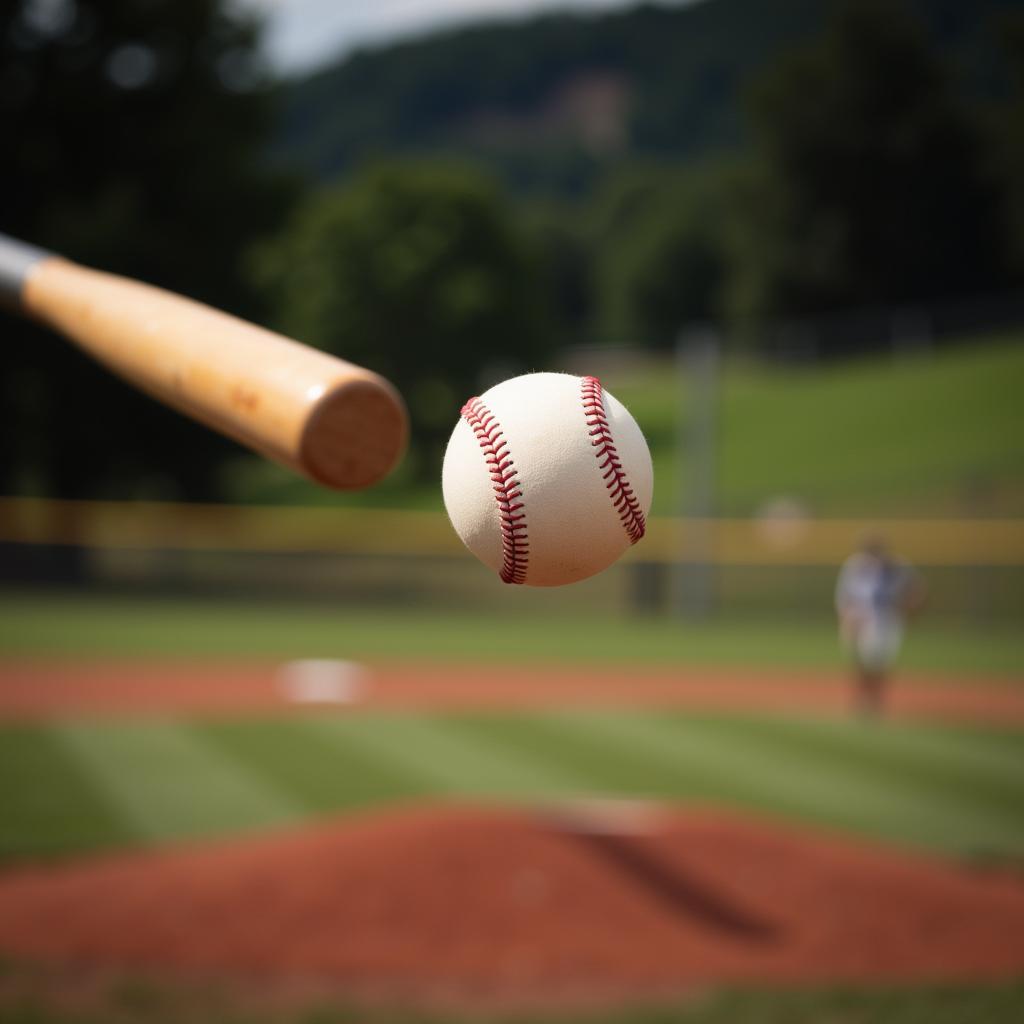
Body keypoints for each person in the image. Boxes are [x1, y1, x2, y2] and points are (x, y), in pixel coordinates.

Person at [834, 534, 926, 717]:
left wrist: (910, 606)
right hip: (860, 616)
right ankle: (862, 698)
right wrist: (848, 616)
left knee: (881, 661)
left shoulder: (896, 566)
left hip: (887, 617)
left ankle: (876, 698)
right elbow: (844, 594)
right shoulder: (855, 565)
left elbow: (916, 588)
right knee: (860, 660)